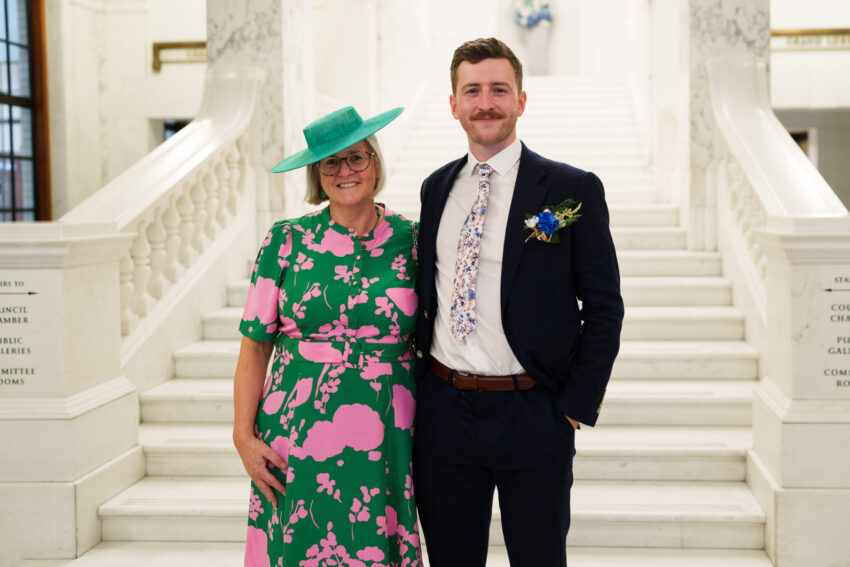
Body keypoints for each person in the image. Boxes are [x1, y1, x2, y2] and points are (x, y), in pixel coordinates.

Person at [413, 37, 624, 566]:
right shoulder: (435, 188)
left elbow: (603, 308)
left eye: (499, 90)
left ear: (521, 101)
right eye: (473, 90)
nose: (486, 102)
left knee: (539, 558)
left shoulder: (572, 191)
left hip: (533, 411)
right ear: (454, 104)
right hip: (445, 409)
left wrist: (574, 406)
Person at [234, 106, 422, 567]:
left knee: (377, 537)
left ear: (375, 163)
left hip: (388, 426)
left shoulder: (414, 240)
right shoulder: (285, 240)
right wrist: (242, 434)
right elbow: (255, 345)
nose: (345, 171)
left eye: (356, 157)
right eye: (330, 163)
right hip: (297, 427)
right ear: (317, 177)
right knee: (301, 543)